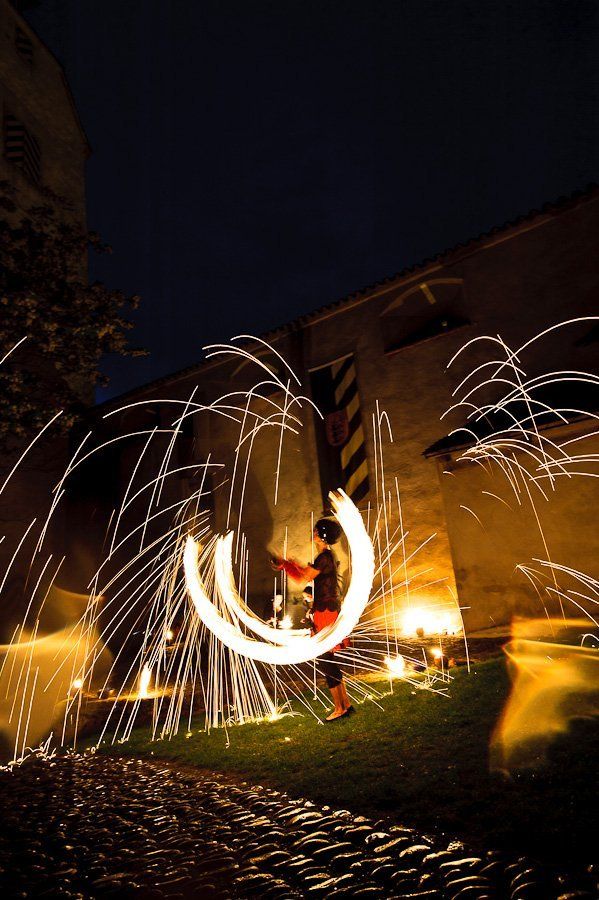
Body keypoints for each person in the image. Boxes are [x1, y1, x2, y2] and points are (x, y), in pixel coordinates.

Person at [272, 517, 353, 721]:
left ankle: (340, 708)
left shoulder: (324, 557)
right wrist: (287, 565)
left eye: (317, 531)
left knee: (324, 659)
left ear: (323, 536)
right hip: (325, 609)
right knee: (327, 660)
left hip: (325, 611)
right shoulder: (325, 557)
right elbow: (306, 575)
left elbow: (304, 577)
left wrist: (286, 565)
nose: (314, 533)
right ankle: (345, 704)